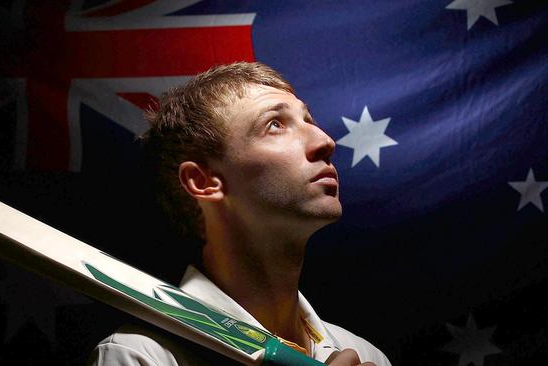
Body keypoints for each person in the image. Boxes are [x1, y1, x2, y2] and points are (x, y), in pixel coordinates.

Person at [87, 62, 391, 366]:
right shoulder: (140, 355)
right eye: (275, 124)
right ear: (203, 182)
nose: (325, 141)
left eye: (308, 119)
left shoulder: (367, 355)